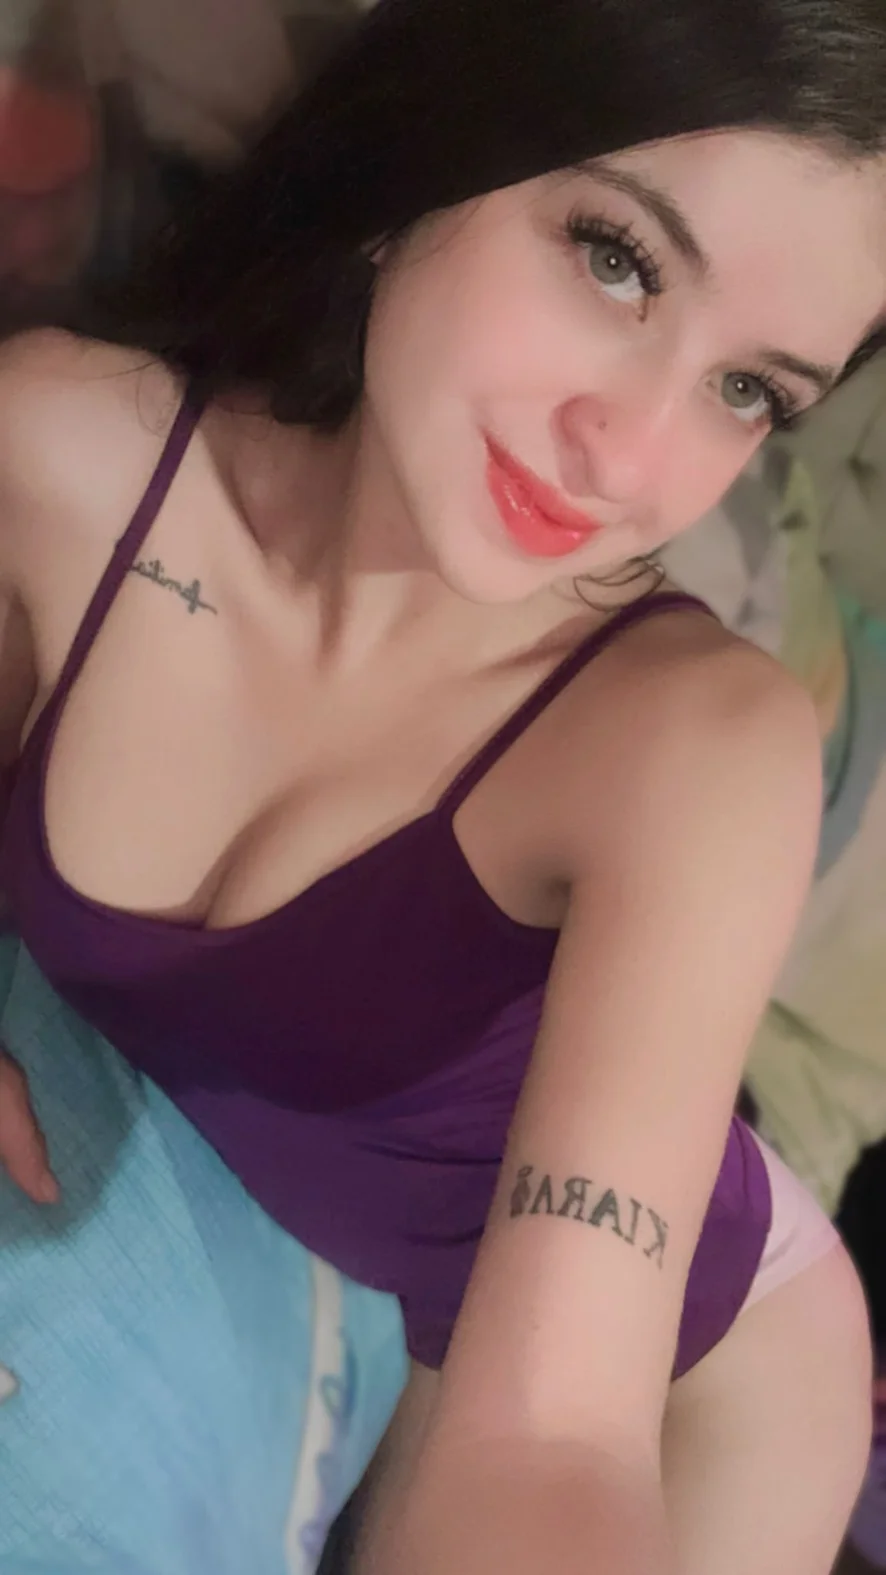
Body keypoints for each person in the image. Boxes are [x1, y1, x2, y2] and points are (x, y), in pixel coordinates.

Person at [0, 0, 885, 1569]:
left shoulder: (694, 747)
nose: (629, 457)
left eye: (749, 389)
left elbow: (553, 1430)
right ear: (432, 143)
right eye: (615, 257)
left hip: (707, 1384)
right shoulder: (54, 463)